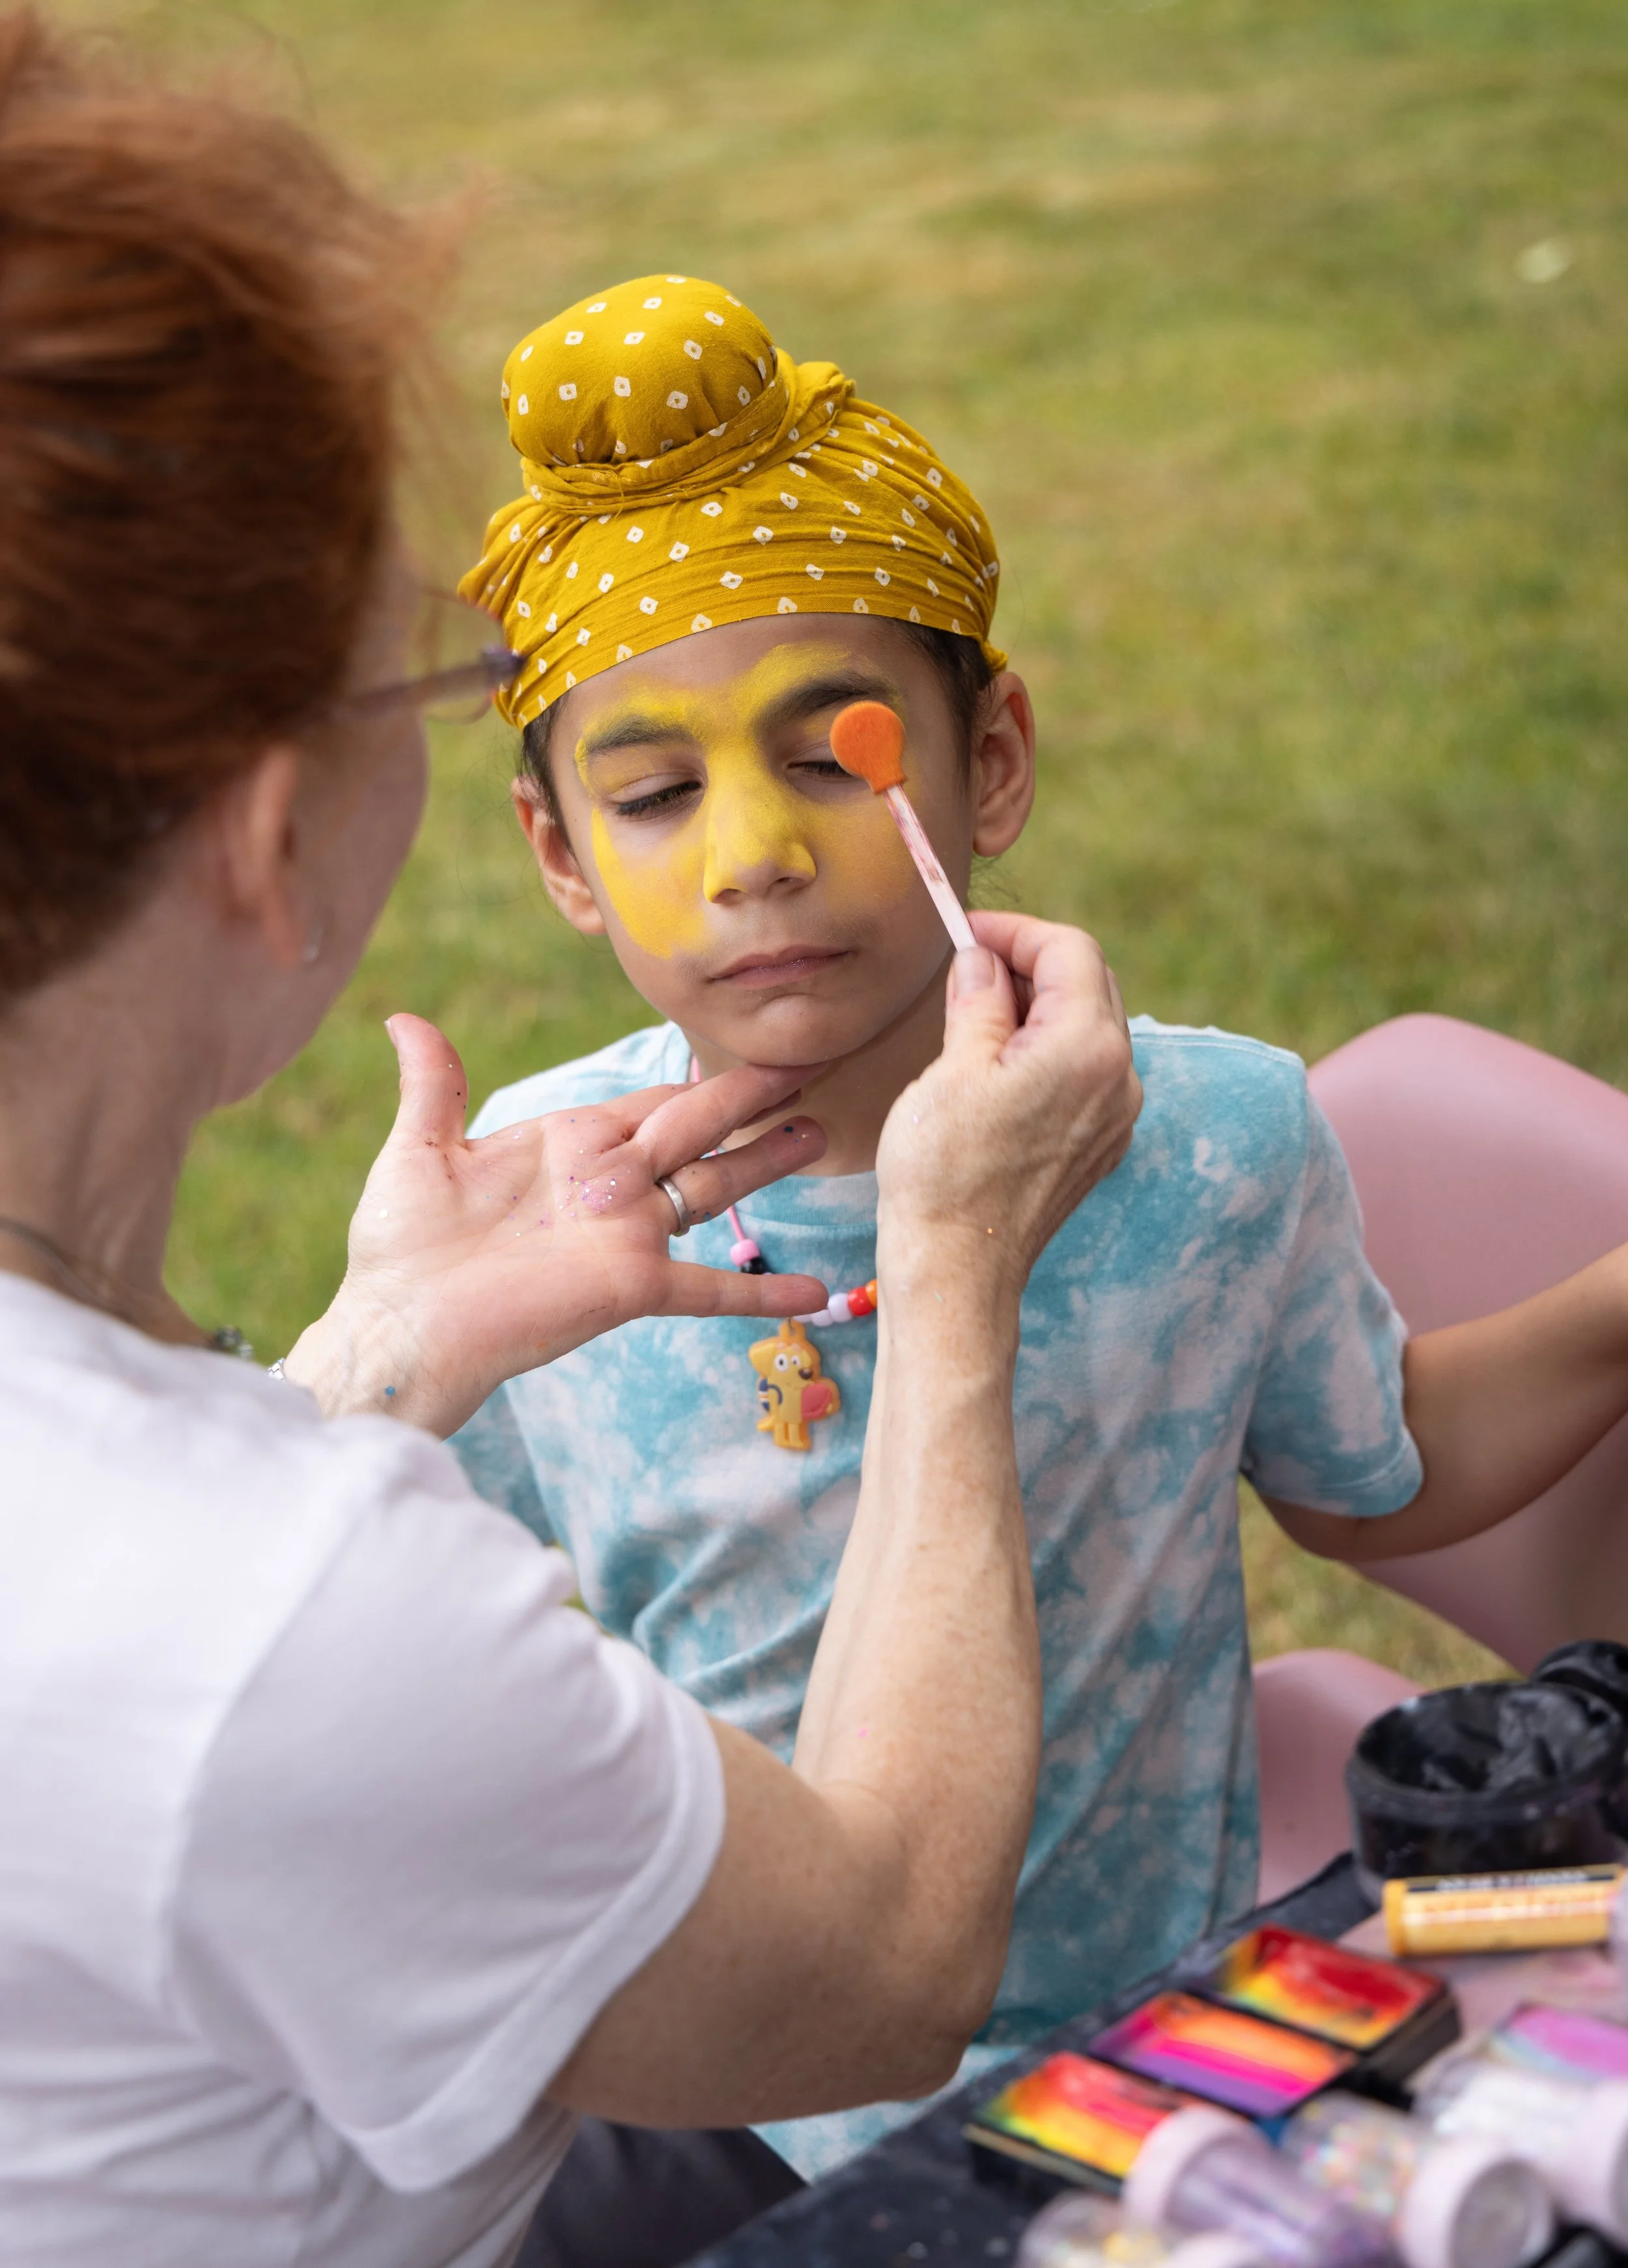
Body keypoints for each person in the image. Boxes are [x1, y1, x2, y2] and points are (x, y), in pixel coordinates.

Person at [0, 21, 1145, 2268]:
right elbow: (885, 1967)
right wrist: (954, 1273)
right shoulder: (261, 1621)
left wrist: (382, 1358)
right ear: (265, 830)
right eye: (412, 694)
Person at [453, 270, 1628, 2183]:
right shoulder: (526, 1208)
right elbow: (431, 1643)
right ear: (558, 856)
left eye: (832, 753)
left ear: (985, 758)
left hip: (1157, 2054)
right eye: (654, 793)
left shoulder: (1213, 1139)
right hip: (723, 2092)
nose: (749, 848)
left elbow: (1370, 1473)